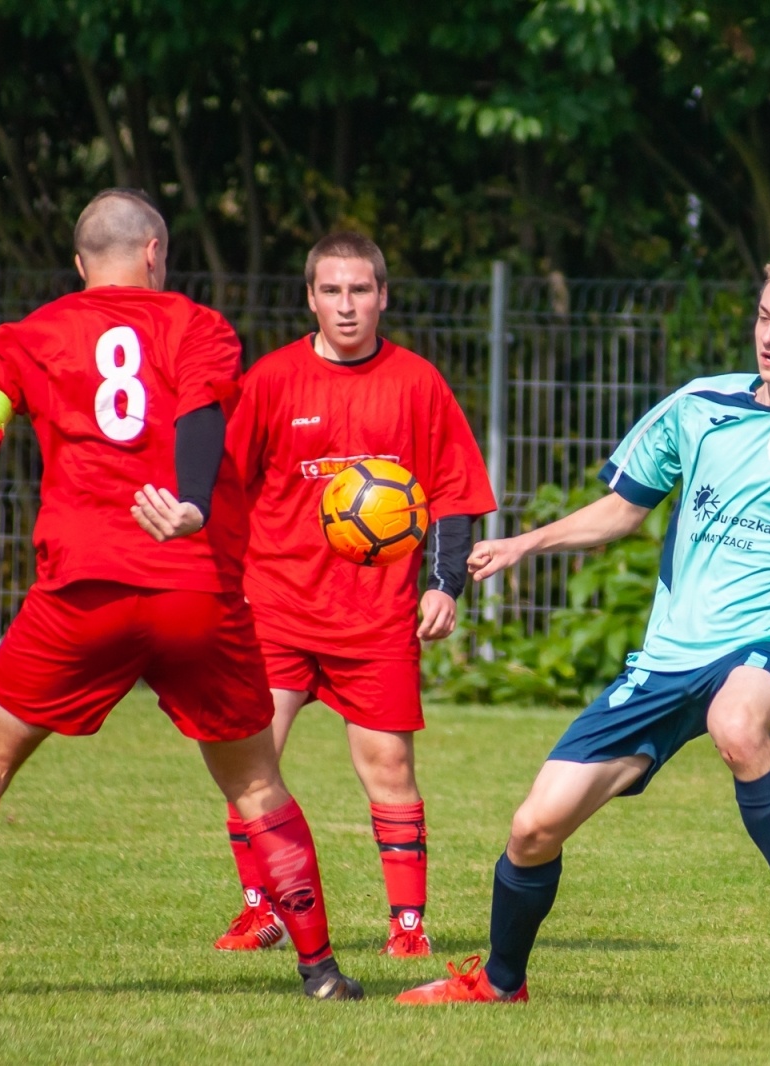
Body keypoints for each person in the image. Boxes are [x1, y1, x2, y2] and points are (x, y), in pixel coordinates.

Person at [396, 256, 770, 1005]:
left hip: (767, 639)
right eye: (763, 317)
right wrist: (529, 543)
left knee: (737, 722)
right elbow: (623, 511)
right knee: (532, 829)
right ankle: (500, 982)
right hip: (664, 662)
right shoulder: (696, 406)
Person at [0, 189, 362, 999]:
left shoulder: (25, 339)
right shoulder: (197, 327)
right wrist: (191, 503)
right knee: (256, 782)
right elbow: (201, 416)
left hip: (81, 592)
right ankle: (320, 971)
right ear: (155, 252)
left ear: (79, 263)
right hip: (191, 589)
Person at [209, 232, 495, 958]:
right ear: (310, 297)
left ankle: (408, 928)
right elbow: (227, 491)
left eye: (360, 290)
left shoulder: (417, 383)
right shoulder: (271, 379)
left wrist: (446, 583)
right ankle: (261, 910)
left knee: (391, 769)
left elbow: (454, 492)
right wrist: (220, 587)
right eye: (331, 290)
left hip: (375, 616)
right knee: (252, 763)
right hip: (275, 605)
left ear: (383, 296)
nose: (346, 304)